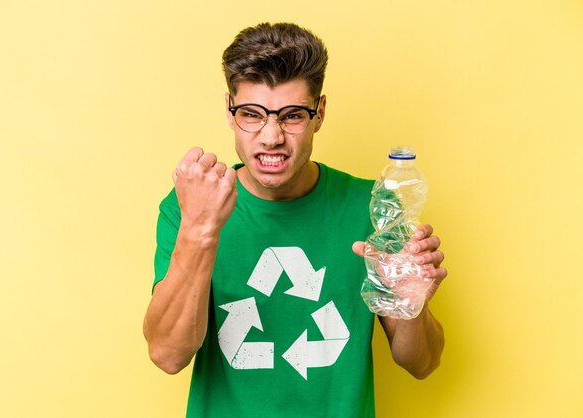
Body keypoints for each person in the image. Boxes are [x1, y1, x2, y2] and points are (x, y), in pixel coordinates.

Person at [143, 22, 447, 418]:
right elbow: (168, 355)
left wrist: (410, 302)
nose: (271, 137)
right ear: (229, 111)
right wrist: (200, 231)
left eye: (291, 116)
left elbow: (422, 363)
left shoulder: (372, 206)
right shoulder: (191, 206)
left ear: (319, 113)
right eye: (252, 114)